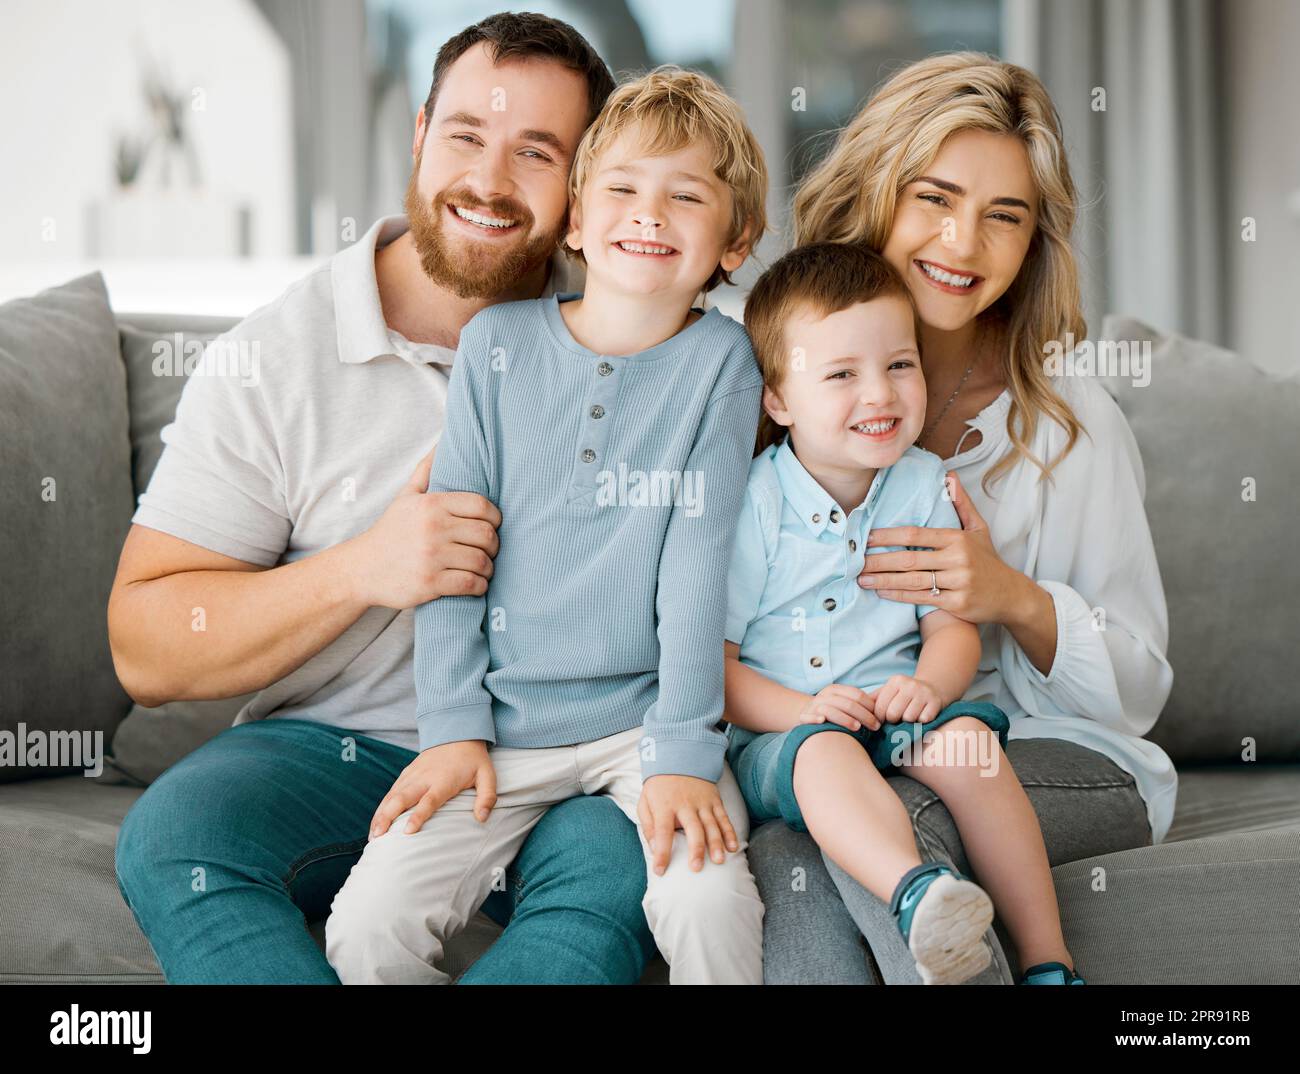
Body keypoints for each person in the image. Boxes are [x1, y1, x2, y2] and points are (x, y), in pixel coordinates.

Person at [110, 12, 663, 985]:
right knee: (177, 839)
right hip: (332, 752)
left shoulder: (641, 328)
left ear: (583, 187)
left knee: (618, 882)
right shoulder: (276, 356)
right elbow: (144, 642)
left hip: (563, 761)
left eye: (536, 153)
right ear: (417, 134)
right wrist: (361, 570)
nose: (489, 183)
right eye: (464, 137)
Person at [324, 65, 769, 986]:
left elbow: (696, 566)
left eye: (687, 197)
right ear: (575, 219)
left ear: (736, 241)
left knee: (710, 904)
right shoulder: (499, 343)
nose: (650, 215)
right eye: (622, 190)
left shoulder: (724, 362)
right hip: (500, 730)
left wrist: (685, 750)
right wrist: (452, 728)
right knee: (366, 926)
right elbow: (457, 545)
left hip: (643, 730)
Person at [747, 52, 1176, 985]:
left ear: (1032, 244)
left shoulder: (1070, 424)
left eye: (1004, 217)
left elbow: (1140, 692)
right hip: (848, 744)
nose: (963, 241)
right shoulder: (783, 382)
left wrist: (1012, 597)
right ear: (877, 193)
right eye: (934, 198)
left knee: (899, 827)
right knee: (788, 850)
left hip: (1053, 753)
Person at [726, 240, 1082, 985]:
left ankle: (1050, 961)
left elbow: (951, 624)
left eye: (899, 364)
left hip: (898, 714)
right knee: (825, 749)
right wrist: (804, 709)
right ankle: (914, 891)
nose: (881, 395)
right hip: (785, 736)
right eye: (842, 375)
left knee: (969, 751)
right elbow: (715, 668)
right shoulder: (754, 504)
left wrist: (931, 687)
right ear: (779, 399)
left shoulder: (925, 484)